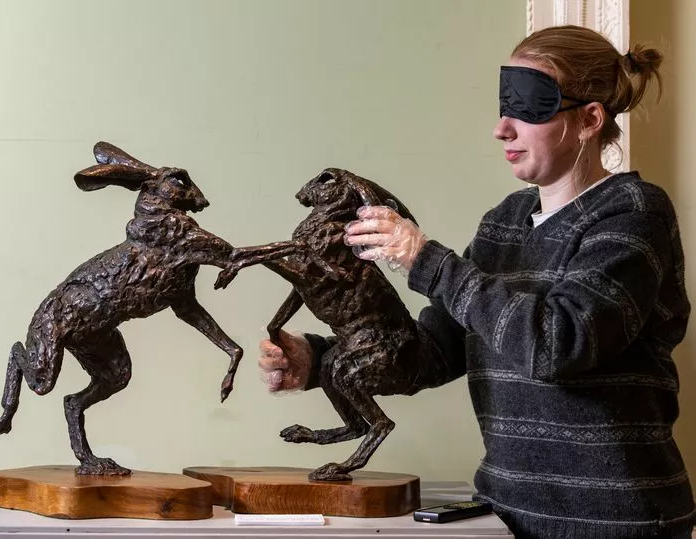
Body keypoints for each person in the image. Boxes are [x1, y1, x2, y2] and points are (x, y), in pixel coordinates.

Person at [257, 25, 695, 539]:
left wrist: (425, 260)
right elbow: (430, 355)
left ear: (589, 120)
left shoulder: (633, 213)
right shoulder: (503, 224)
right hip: (506, 518)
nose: (501, 129)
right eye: (503, 106)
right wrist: (318, 360)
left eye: (527, 107)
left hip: (617, 524)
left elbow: (559, 345)